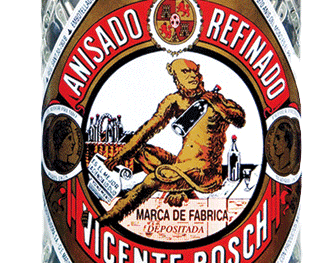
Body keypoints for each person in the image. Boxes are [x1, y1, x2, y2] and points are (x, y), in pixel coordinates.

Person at [99, 58, 245, 223]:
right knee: (143, 152)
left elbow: (240, 120)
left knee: (152, 180)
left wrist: (220, 105)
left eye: (194, 71)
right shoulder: (174, 100)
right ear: (175, 76)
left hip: (205, 174)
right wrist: (120, 156)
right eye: (185, 72)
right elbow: (147, 130)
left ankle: (109, 217)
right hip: (182, 165)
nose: (192, 76)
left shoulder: (215, 100)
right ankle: (179, 187)